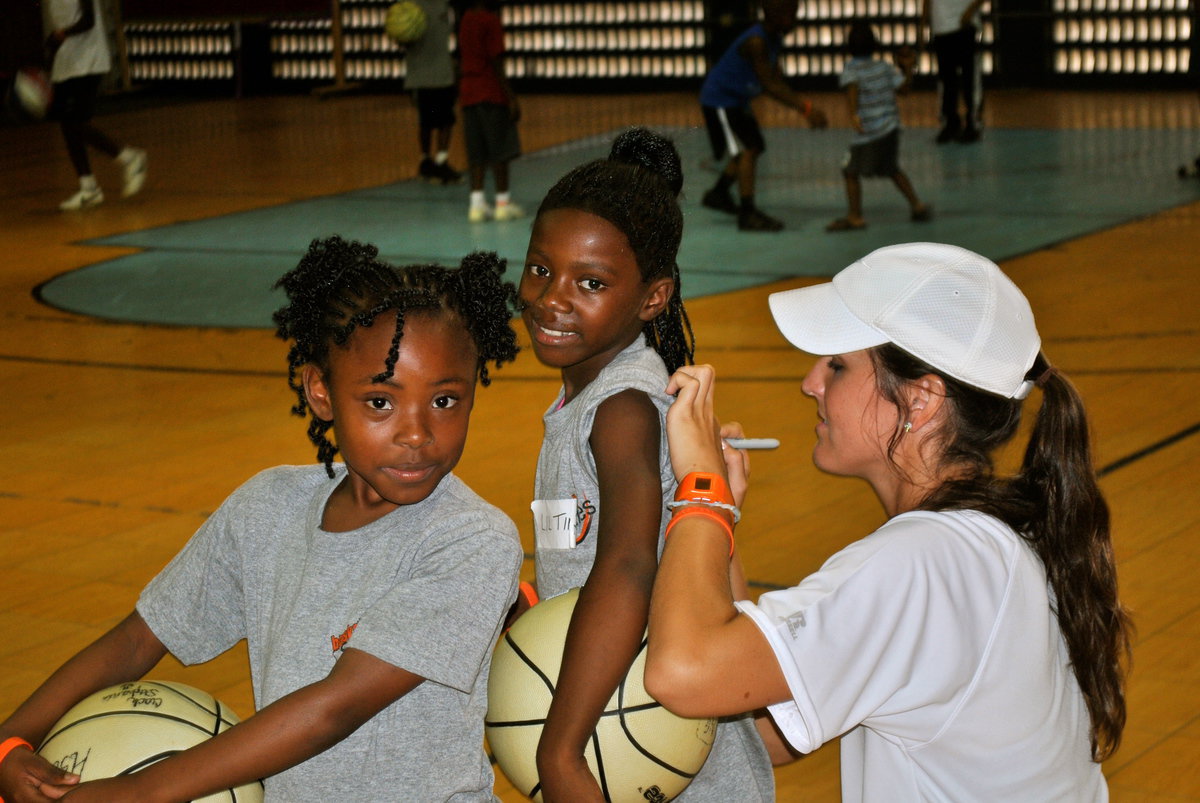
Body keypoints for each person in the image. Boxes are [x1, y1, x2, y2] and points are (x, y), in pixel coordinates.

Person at [0, 237, 524, 802]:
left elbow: (334, 708)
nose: (417, 433)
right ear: (320, 392)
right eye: (380, 401)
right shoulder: (267, 509)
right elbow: (136, 641)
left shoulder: (472, 540)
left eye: (445, 401)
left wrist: (140, 792)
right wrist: (12, 741)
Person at [645, 242, 1133, 801]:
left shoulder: (924, 561)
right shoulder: (995, 539)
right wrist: (721, 519)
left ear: (920, 400)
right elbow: (761, 731)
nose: (811, 383)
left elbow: (682, 673)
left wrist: (700, 492)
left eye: (837, 365)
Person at [516, 127, 775, 802]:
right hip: (629, 739)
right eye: (541, 268)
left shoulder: (623, 407)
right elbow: (583, 551)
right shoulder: (591, 391)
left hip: (668, 760)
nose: (552, 297)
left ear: (653, 297)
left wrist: (562, 746)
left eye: (591, 281)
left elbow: (627, 563)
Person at [699, 0, 828, 232]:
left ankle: (718, 193)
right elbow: (769, 84)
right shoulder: (757, 41)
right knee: (747, 149)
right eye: (791, 13)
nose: (794, 19)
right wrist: (806, 108)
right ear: (775, 14)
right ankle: (747, 214)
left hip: (736, 101)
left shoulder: (773, 37)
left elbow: (773, 77)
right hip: (720, 101)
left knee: (753, 146)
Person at [826, 21, 932, 232]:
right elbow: (904, 90)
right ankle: (917, 206)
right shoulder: (884, 67)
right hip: (890, 129)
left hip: (869, 133)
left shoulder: (851, 68)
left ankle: (855, 217)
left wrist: (854, 115)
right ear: (875, 45)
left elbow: (853, 91)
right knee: (891, 169)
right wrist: (908, 68)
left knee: (850, 171)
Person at [42, 0, 147, 211]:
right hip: (67, 61)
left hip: (88, 60)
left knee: (75, 122)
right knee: (67, 124)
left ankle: (129, 157)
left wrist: (61, 34)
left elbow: (88, 21)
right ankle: (88, 188)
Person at [458, 0, 522, 222]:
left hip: (468, 92)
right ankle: (502, 203)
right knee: (499, 150)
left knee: (476, 151)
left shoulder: (465, 18)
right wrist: (510, 96)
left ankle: (476, 205)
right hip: (490, 91)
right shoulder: (491, 20)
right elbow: (496, 59)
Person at [405, 0, 463, 184]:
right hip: (437, 75)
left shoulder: (411, 6)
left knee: (427, 121)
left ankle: (427, 161)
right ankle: (440, 161)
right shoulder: (443, 5)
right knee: (444, 121)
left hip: (424, 75)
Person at [921, 0, 987, 143]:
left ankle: (972, 123)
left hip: (965, 26)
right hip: (941, 28)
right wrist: (923, 27)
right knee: (946, 80)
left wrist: (970, 11)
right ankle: (951, 123)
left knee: (970, 79)